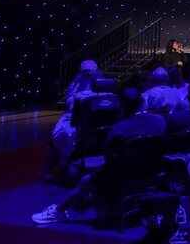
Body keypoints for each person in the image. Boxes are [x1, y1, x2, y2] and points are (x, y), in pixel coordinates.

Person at [33, 88, 167, 224]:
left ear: (121, 106)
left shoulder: (119, 129)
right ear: (142, 102)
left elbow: (109, 158)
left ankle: (58, 212)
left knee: (86, 180)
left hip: (124, 175)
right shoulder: (160, 121)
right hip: (152, 172)